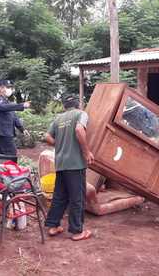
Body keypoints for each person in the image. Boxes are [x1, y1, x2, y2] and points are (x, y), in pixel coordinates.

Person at [44, 94, 94, 241]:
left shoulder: (58, 119)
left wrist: (60, 144)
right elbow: (79, 130)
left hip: (61, 163)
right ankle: (77, 231)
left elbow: (47, 136)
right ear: (78, 104)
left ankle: (53, 226)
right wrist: (86, 152)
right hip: (75, 164)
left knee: (60, 196)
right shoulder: (81, 114)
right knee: (77, 197)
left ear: (65, 106)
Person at [0, 80, 30, 156]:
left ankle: (3, 167)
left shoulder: (7, 103)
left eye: (10, 87)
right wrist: (21, 105)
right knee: (11, 154)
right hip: (3, 133)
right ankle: (9, 167)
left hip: (7, 133)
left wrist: (22, 129)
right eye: (7, 87)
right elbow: (6, 107)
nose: (9, 89)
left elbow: (14, 117)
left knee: (4, 156)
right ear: (1, 88)